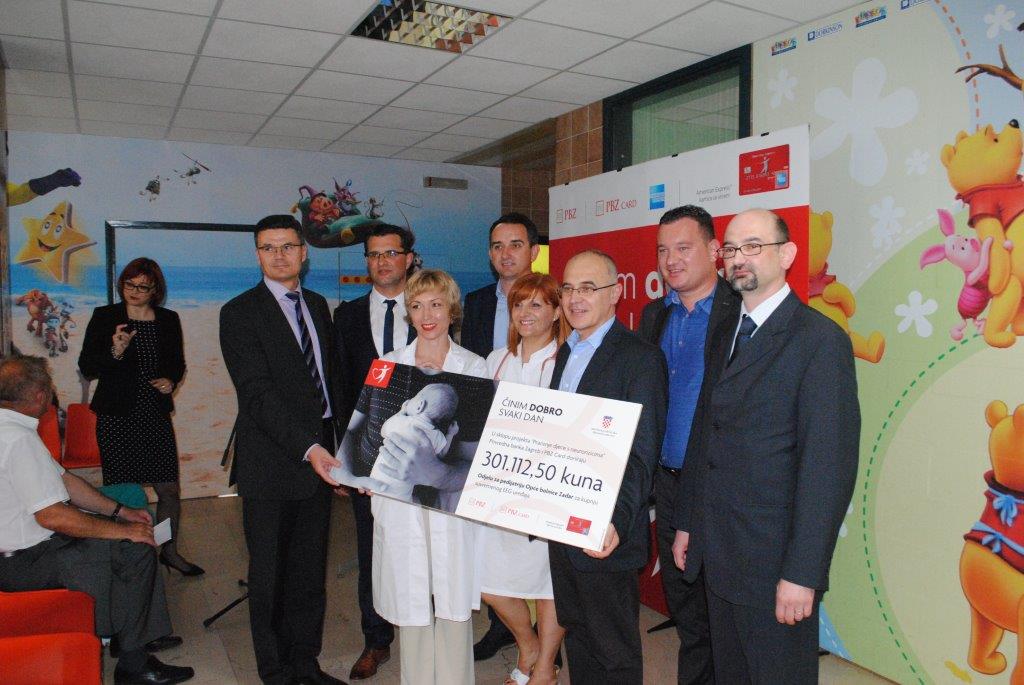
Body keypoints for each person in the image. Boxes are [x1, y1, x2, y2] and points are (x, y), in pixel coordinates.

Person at [677, 208, 860, 684]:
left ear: (788, 254)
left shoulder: (820, 341)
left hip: (775, 564)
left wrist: (803, 573)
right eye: (731, 248)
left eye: (753, 246)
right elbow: (705, 433)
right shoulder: (725, 331)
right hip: (719, 553)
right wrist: (689, 523)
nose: (739, 258)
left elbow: (827, 469)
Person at [314, 269, 487, 685]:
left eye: (436, 305)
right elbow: (358, 431)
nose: (427, 316)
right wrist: (350, 469)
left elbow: (477, 462)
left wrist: (437, 471)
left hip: (448, 508)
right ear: (408, 312)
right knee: (411, 600)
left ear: (452, 311)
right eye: (417, 306)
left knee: (451, 601)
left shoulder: (475, 368)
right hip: (398, 504)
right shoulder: (387, 366)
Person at [0, 354, 194, 685]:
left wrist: (120, 513)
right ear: (39, 395)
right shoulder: (17, 439)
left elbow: (65, 482)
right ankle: (134, 664)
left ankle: (130, 634)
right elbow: (52, 516)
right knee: (136, 549)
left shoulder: (12, 429)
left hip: (27, 551)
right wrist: (125, 532)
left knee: (128, 537)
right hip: (25, 563)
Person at [219, 215, 346, 685]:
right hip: (272, 463)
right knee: (270, 576)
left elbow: (328, 385)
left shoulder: (317, 305)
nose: (279, 255)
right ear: (257, 254)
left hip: (321, 460)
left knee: (309, 573)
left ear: (303, 252)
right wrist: (310, 448)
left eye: (288, 246)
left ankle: (305, 664)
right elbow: (257, 395)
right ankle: (275, 672)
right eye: (268, 248)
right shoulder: (239, 313)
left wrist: (342, 448)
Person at [549, 250, 668, 683]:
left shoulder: (640, 358)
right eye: (568, 288)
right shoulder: (567, 353)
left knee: (614, 649)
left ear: (616, 293)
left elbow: (642, 452)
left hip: (606, 532)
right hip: (562, 524)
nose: (575, 298)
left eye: (588, 288)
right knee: (578, 634)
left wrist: (615, 520)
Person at [637, 205, 739, 684]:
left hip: (721, 488)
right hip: (669, 486)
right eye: (663, 251)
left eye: (683, 248)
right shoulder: (654, 315)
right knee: (689, 615)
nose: (671, 260)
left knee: (726, 617)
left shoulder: (740, 313)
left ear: (715, 250)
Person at [78, 257, 202, 576]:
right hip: (116, 416)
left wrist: (171, 380)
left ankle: (168, 550)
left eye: (142, 287)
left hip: (153, 414)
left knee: (168, 490)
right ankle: (129, 554)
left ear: (155, 290)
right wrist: (115, 351)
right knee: (125, 492)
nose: (134, 291)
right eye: (129, 285)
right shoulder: (106, 317)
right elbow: (87, 366)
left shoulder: (168, 319)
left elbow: (177, 363)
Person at [332, 224, 415, 679]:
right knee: (371, 546)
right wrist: (343, 460)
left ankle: (423, 631)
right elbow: (339, 389)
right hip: (366, 453)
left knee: (421, 543)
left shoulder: (430, 308)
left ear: (408, 259)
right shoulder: (345, 317)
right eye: (374, 255)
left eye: (391, 253)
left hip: (419, 453)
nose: (382, 262)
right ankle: (376, 638)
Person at [480, 272, 570, 685]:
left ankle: (545, 666)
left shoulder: (567, 361)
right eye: (518, 304)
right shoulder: (496, 360)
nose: (525, 312)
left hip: (548, 492)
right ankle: (528, 644)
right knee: (486, 578)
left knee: (549, 584)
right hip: (498, 492)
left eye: (537, 304)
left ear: (556, 312)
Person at [461, 213, 539, 658]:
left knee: (537, 550)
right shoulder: (475, 302)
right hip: (489, 441)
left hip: (537, 442)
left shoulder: (554, 296)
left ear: (533, 251)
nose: (505, 253)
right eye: (497, 245)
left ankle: (545, 639)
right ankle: (502, 628)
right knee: (493, 547)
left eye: (515, 244)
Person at [370, 384, 459, 492]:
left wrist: (401, 412)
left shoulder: (403, 421)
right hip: (404, 490)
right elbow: (442, 454)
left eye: (413, 398)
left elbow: (383, 431)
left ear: (419, 406)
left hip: (378, 479)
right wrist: (450, 434)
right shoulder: (437, 435)